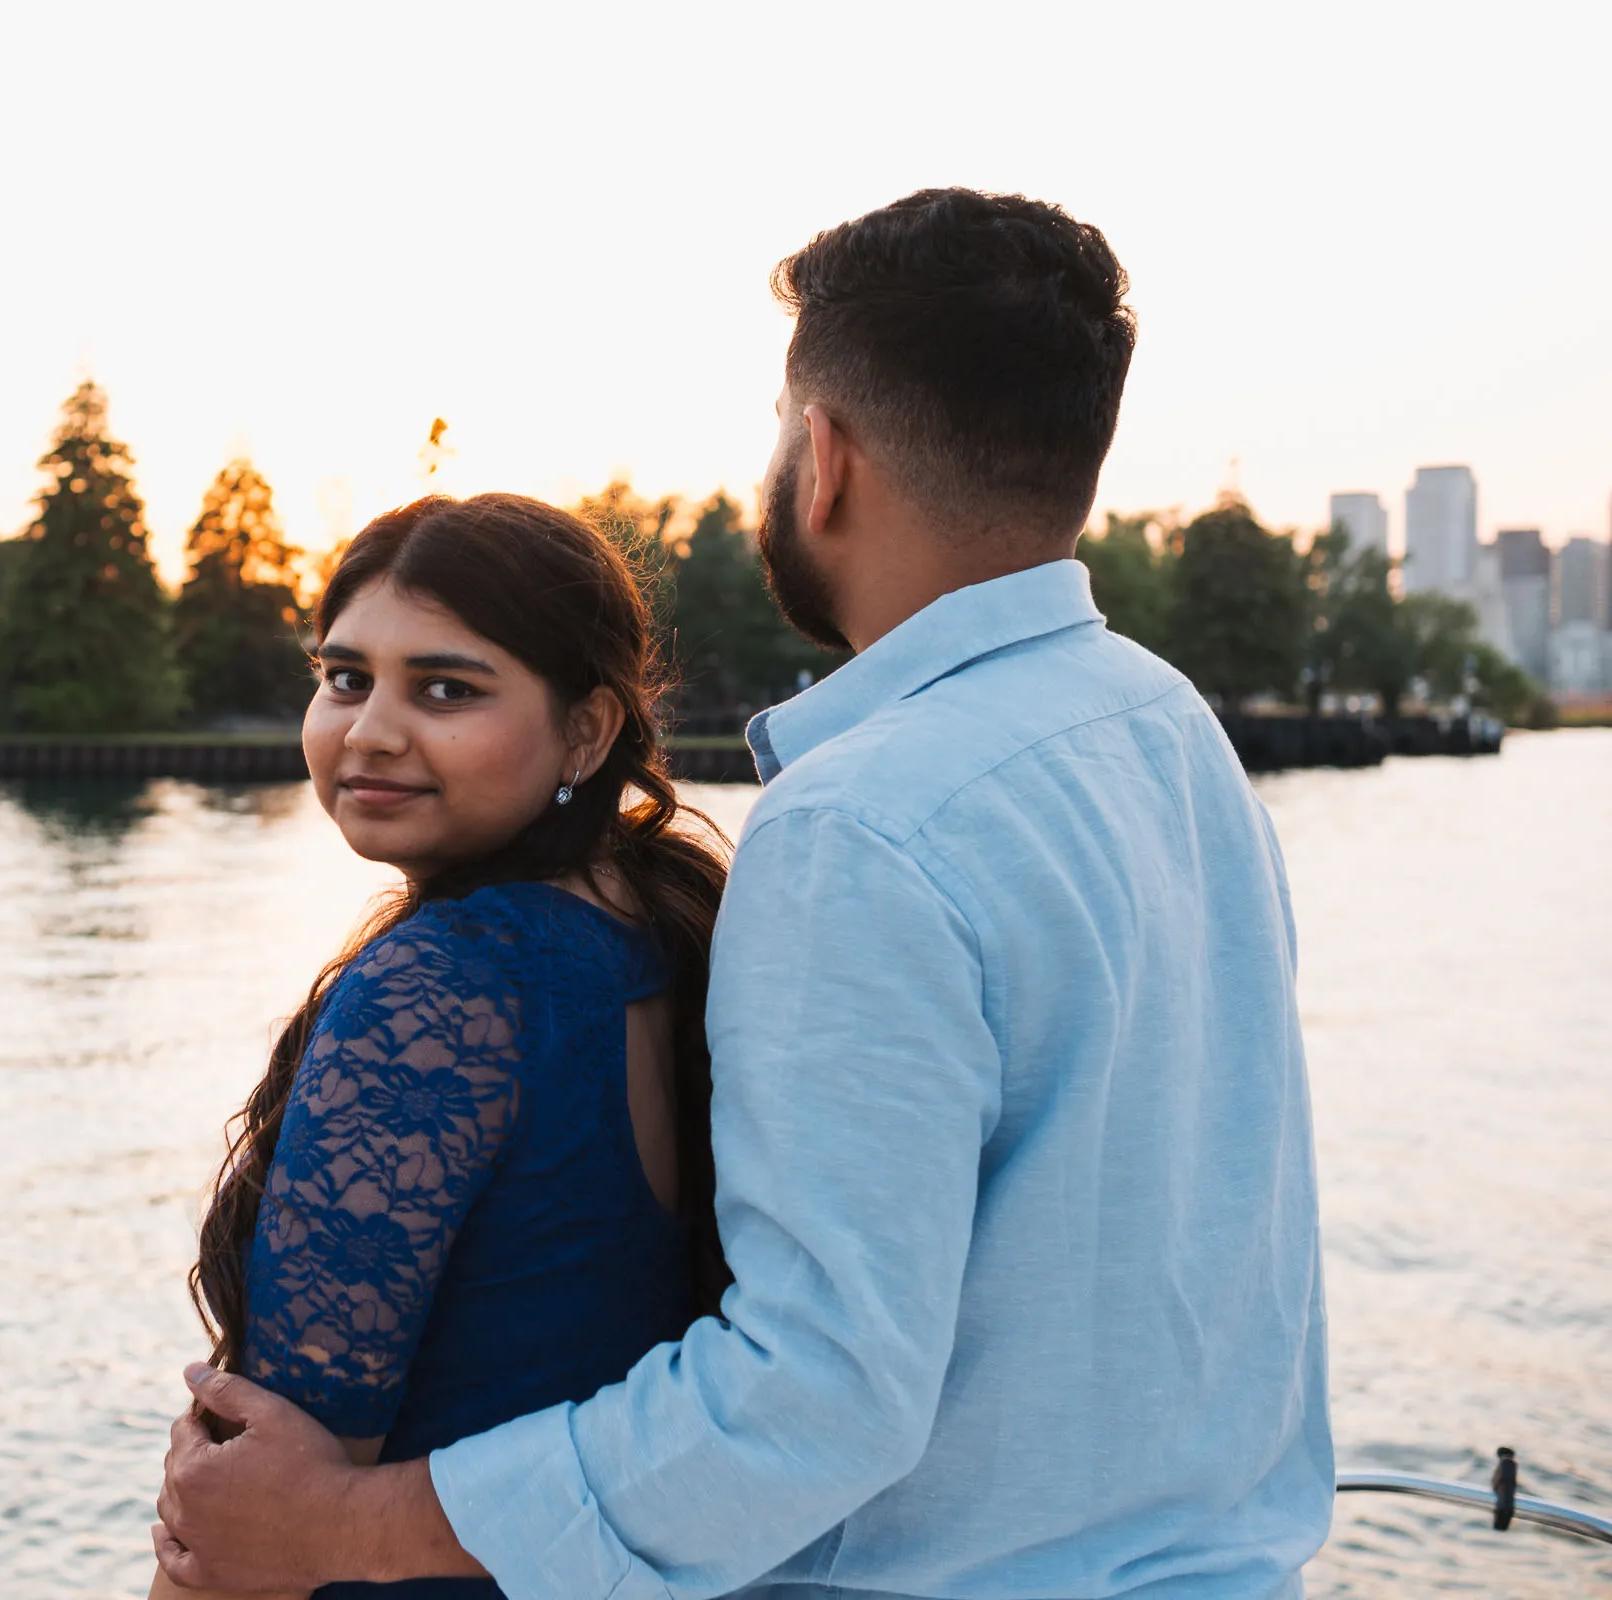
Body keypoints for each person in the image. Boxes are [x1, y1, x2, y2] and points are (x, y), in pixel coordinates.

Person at [154, 188, 1334, 1599]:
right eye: (342, 677)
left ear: (822, 459)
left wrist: (342, 1529)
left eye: (781, 427)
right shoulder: (1172, 735)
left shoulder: (865, 821)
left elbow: (815, 1397)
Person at [153, 493, 733, 1600]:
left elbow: (252, 1516)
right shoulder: (663, 931)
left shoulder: (441, 993)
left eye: (446, 689)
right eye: (345, 677)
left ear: (586, 731)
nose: (370, 730)